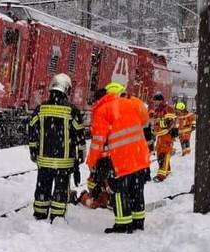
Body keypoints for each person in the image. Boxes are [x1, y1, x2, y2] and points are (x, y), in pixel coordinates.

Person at [87, 82, 151, 233]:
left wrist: (91, 162)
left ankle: (123, 225)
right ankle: (138, 222)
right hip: (140, 156)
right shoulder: (132, 104)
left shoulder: (103, 110)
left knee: (119, 191)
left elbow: (98, 141)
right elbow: (144, 121)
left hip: (120, 159)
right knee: (137, 190)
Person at [27, 74, 86, 222]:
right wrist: (80, 156)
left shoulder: (41, 109)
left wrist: (33, 150)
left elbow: (32, 132)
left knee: (43, 187)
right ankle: (57, 217)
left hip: (44, 159)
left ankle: (40, 213)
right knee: (60, 190)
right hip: (64, 162)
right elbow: (80, 135)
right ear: (66, 89)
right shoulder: (72, 111)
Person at [149, 92, 179, 181]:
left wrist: (170, 129)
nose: (155, 103)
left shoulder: (167, 109)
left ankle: (161, 175)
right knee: (159, 154)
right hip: (160, 136)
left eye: (156, 101)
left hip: (166, 135)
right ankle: (167, 170)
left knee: (164, 155)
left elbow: (171, 121)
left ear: (160, 101)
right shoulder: (157, 110)